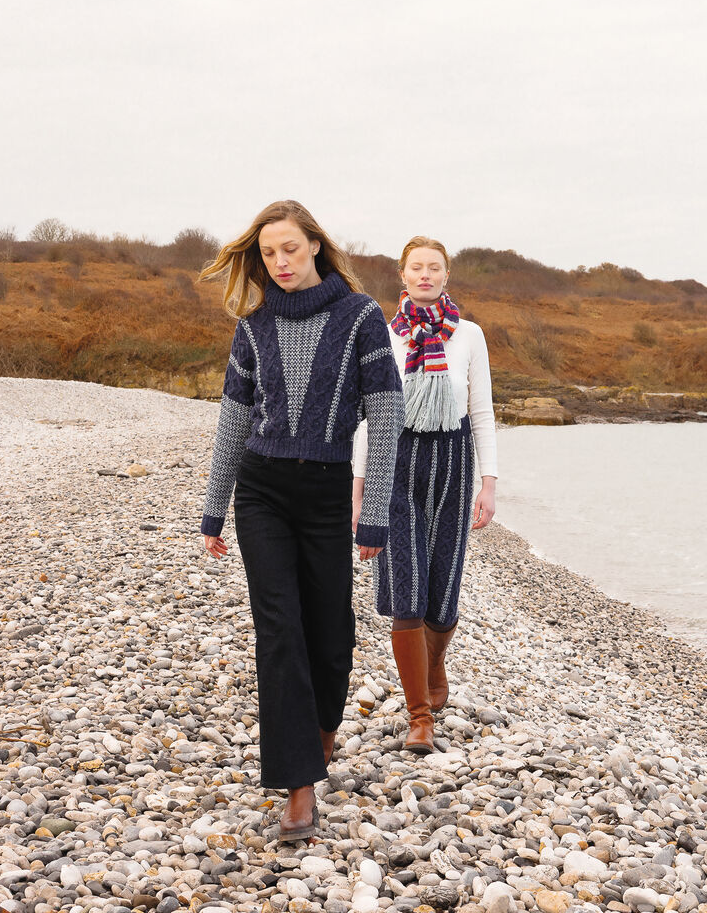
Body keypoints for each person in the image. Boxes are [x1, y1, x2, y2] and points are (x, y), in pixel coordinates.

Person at [200, 200, 404, 842]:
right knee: (280, 631)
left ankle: (322, 729)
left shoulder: (361, 317)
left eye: (289, 248)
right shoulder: (253, 324)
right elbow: (234, 420)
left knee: (331, 634)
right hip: (261, 491)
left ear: (315, 244)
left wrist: (375, 514)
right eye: (268, 253)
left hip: (324, 493)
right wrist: (214, 507)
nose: (279, 262)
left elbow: (388, 416)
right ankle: (298, 788)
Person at [352, 237, 497, 753]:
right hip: (396, 461)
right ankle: (419, 716)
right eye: (417, 267)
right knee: (406, 588)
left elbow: (481, 411)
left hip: (454, 463)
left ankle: (435, 665)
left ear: (446, 275)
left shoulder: (469, 335)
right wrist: (359, 488)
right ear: (403, 275)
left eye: (435, 267)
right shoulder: (383, 335)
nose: (426, 275)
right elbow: (369, 416)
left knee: (443, 587)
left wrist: (489, 482)